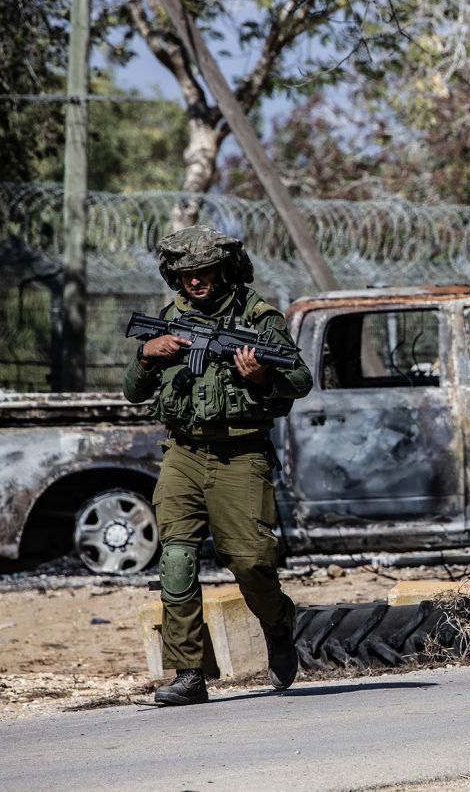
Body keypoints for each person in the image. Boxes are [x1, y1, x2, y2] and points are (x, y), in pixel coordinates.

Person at [124, 225, 312, 706]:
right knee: (177, 559)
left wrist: (263, 376)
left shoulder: (257, 317)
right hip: (182, 454)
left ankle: (279, 625)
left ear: (223, 269)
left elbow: (300, 379)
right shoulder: (169, 318)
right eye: (187, 274)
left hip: (240, 456)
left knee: (251, 562)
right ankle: (190, 673)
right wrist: (148, 356)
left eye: (205, 271)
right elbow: (133, 390)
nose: (196, 281)